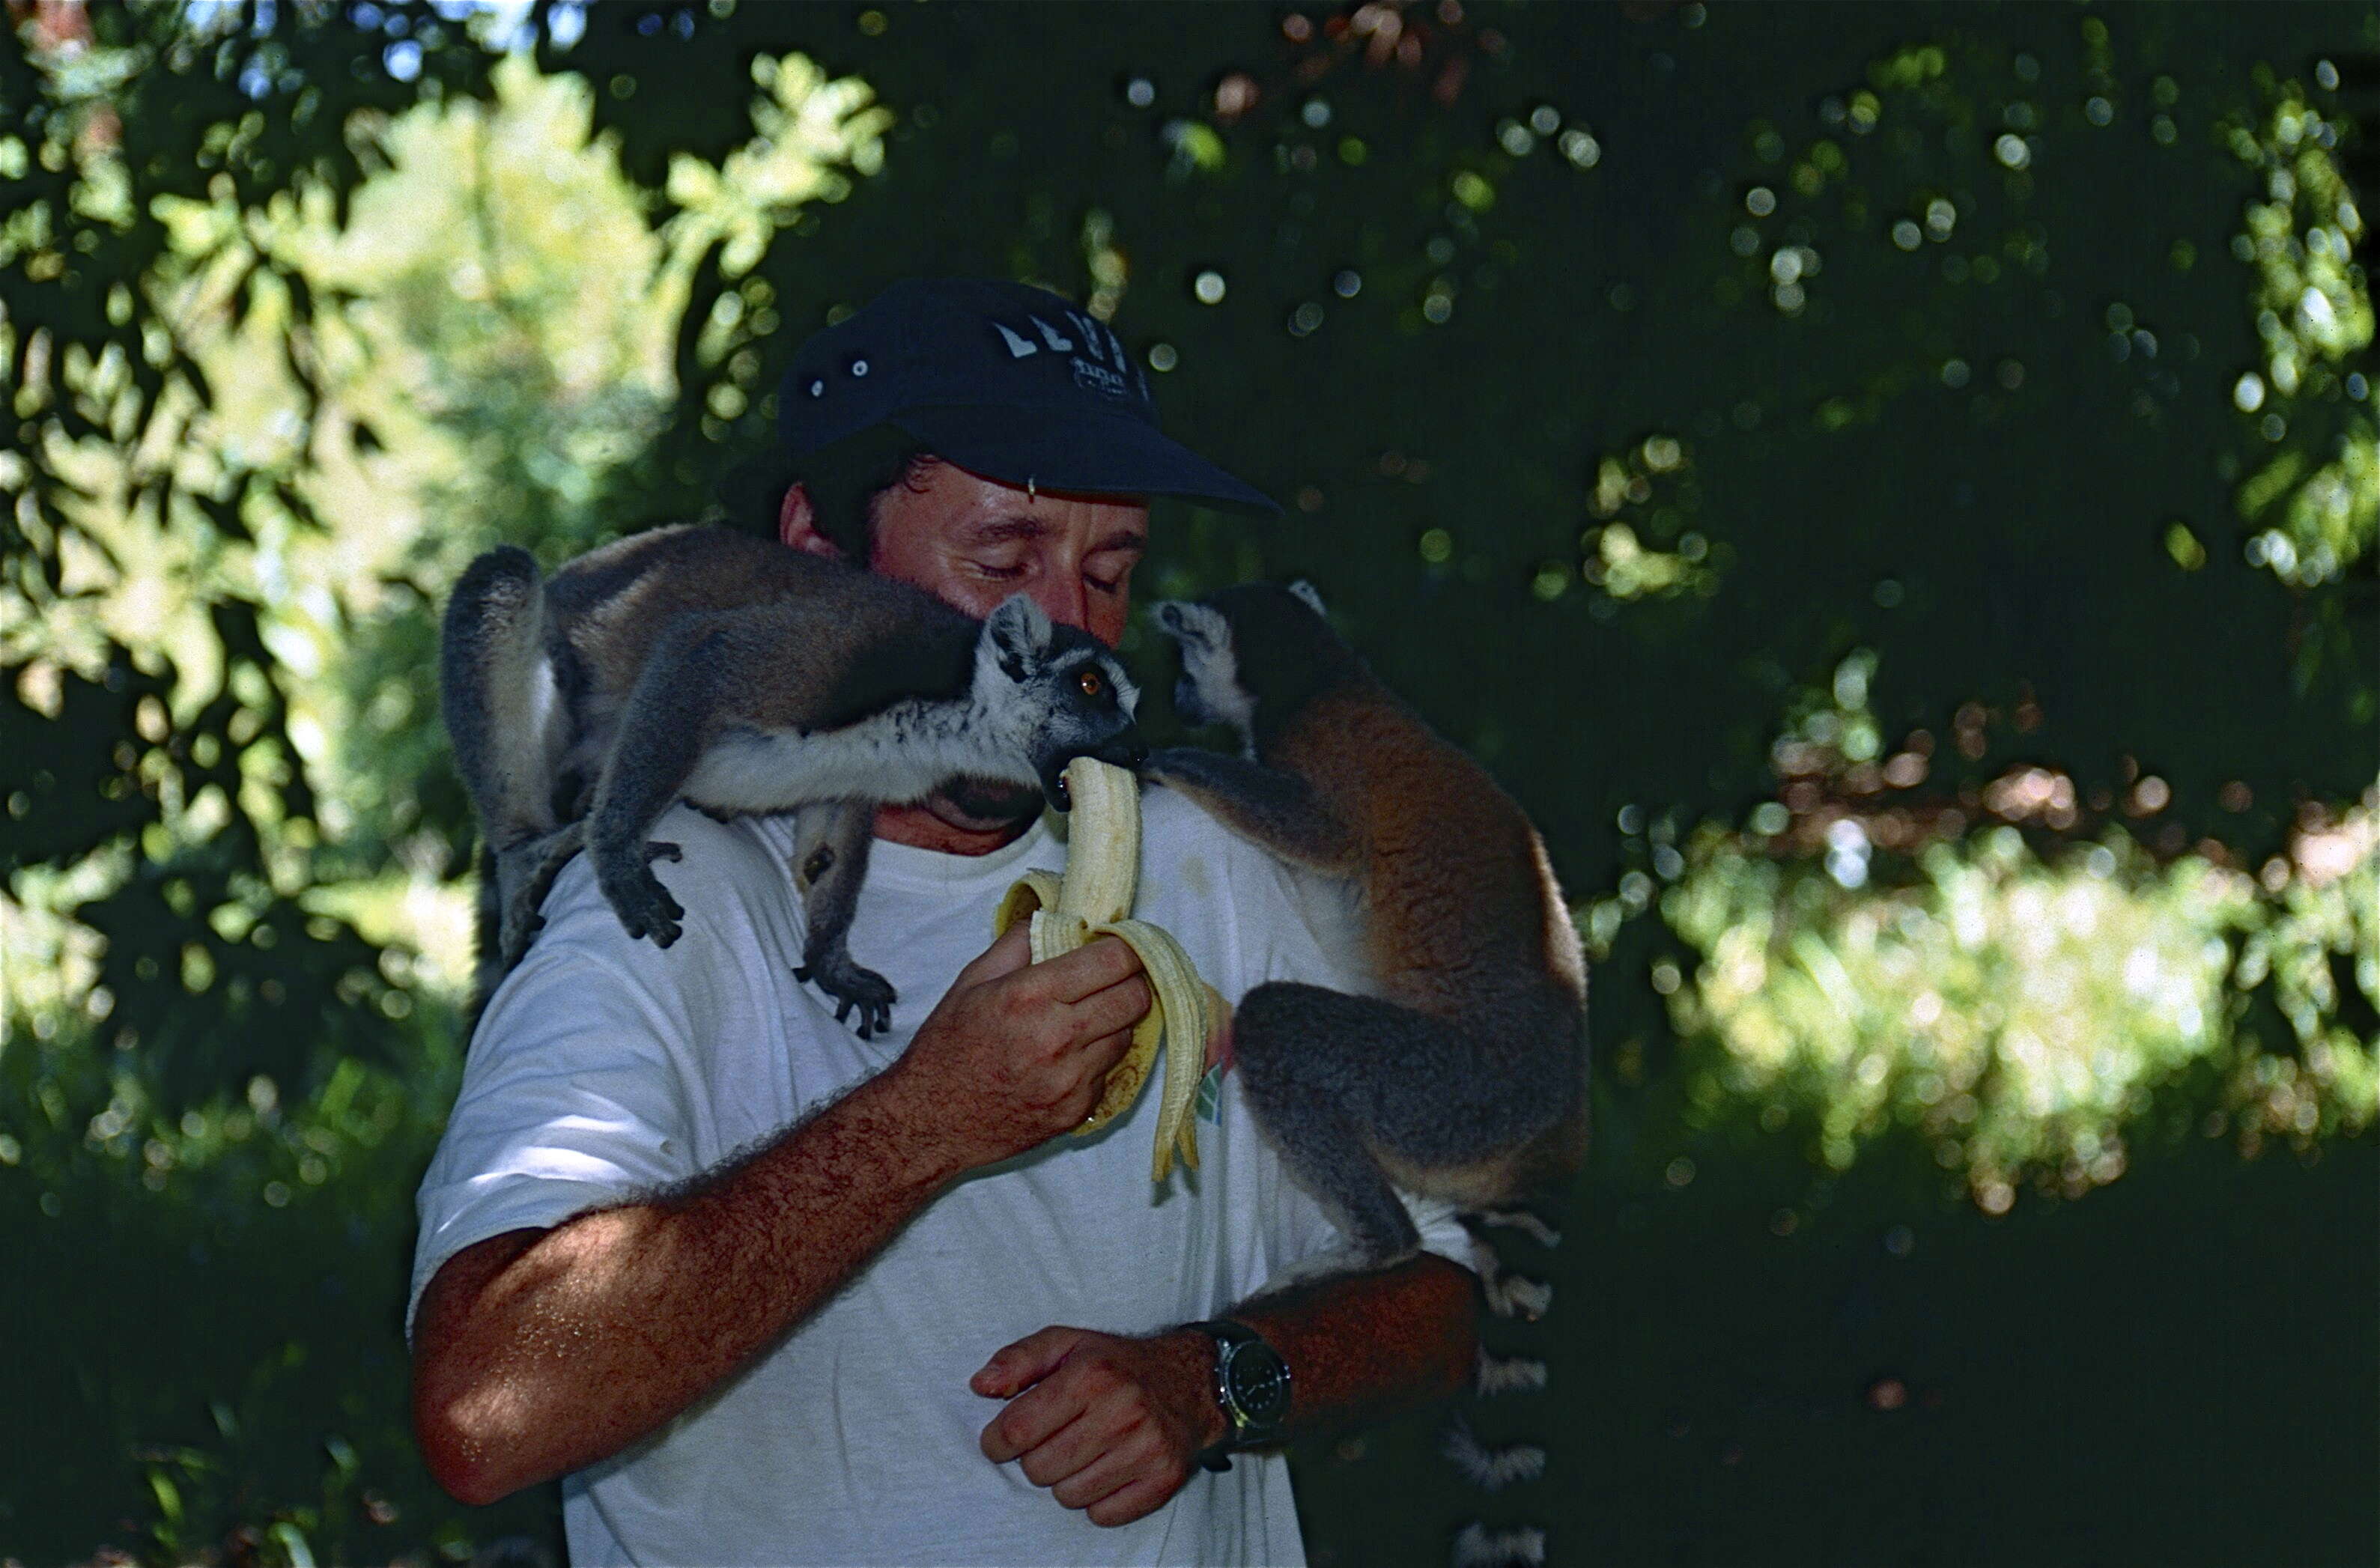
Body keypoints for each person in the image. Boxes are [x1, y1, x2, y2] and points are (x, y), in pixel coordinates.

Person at [407, 279, 1479, 1567]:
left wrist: (1215, 1381)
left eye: (1107, 572)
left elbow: (1441, 1300)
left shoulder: (1207, 864)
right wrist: (928, 1120)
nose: (1066, 629)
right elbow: (483, 1406)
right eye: (1003, 560)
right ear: (814, 553)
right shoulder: (675, 895)